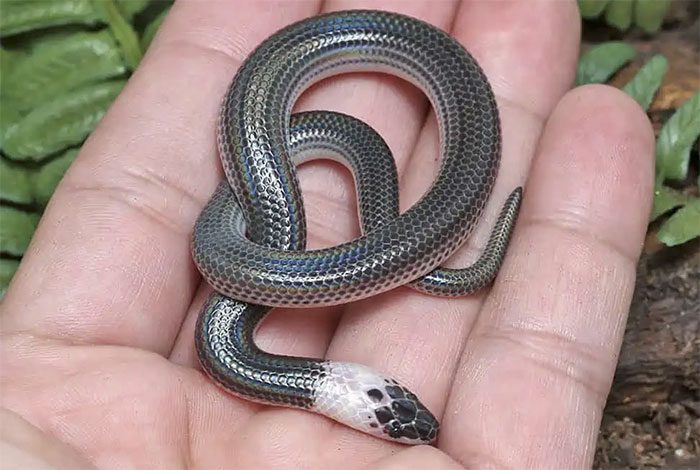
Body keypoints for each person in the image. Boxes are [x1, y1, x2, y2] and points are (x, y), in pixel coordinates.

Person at [0, 1, 654, 468]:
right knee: (286, 225)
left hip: (296, 185)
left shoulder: (226, 339)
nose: (406, 415)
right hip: (282, 178)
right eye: (396, 409)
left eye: (393, 408)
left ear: (362, 389)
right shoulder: (228, 318)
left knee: (316, 203)